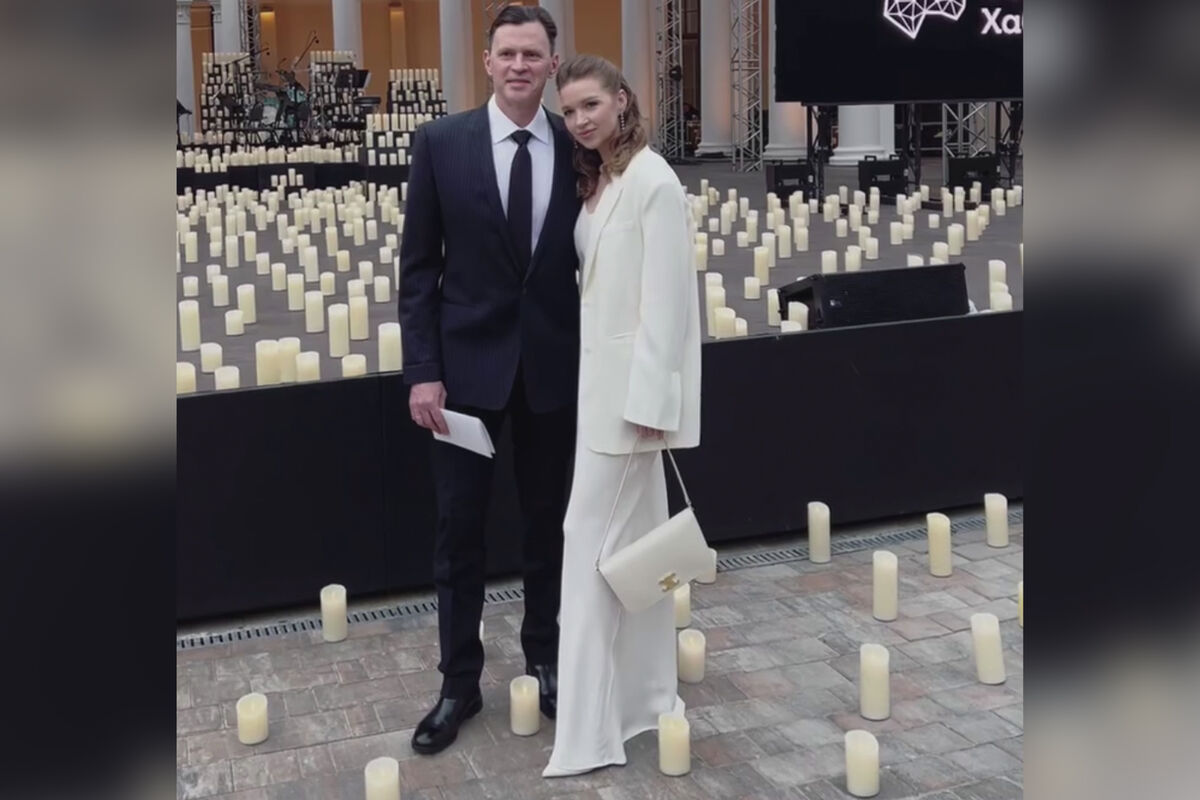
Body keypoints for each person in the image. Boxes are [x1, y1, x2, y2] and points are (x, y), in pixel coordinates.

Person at [397, 5, 581, 756]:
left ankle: (545, 660)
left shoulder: (578, 146)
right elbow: (418, 269)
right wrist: (423, 373)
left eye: (532, 54)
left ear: (552, 64)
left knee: (547, 525)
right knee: (458, 533)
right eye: (507, 53)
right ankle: (458, 683)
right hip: (464, 377)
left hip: (552, 372)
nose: (519, 66)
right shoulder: (442, 143)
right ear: (487, 61)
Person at [543, 54, 702, 777]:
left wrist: (650, 407)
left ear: (623, 100)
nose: (580, 120)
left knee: (588, 549)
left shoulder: (653, 180)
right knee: (633, 554)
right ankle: (644, 699)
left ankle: (587, 733)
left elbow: (668, 306)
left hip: (629, 409)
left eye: (590, 105)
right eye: (570, 110)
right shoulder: (601, 177)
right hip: (597, 396)